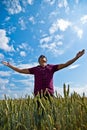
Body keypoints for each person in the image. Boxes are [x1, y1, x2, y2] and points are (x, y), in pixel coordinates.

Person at [1, 49, 85, 97]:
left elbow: (66, 64)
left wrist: (76, 57)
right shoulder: (35, 69)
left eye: (43, 56)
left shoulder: (52, 67)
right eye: (40, 57)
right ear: (38, 60)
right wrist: (9, 65)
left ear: (46, 60)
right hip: (38, 95)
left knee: (51, 116)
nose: (42, 57)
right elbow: (20, 70)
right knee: (39, 117)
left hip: (50, 94)